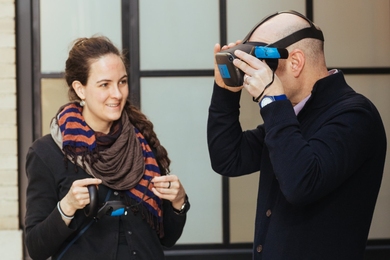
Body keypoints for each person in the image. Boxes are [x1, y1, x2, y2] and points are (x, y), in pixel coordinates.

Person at [207, 10, 386, 260]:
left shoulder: (355, 116)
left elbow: (301, 184)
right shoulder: (292, 116)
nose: (255, 72)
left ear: (295, 62)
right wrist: (225, 91)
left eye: (261, 60)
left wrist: (272, 99)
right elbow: (228, 158)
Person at [25, 36, 190, 260]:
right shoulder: (47, 153)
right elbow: (36, 249)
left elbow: (167, 238)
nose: (118, 94)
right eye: (105, 84)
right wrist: (67, 206)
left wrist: (178, 202)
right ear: (80, 89)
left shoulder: (142, 142)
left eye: (122, 82)